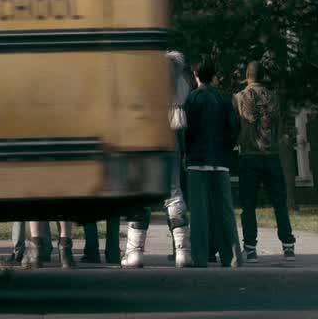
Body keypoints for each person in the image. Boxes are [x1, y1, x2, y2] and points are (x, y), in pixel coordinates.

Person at [121, 51, 194, 268]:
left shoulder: (142, 83)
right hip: (171, 142)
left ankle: (135, 253)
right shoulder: (181, 84)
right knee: (174, 195)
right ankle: (183, 252)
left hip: (144, 143)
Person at [234, 61, 297, 262]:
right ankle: (288, 246)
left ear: (247, 75)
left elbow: (234, 126)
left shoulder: (239, 97)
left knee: (248, 205)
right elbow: (281, 125)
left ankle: (250, 248)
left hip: (249, 155)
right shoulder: (274, 97)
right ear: (263, 77)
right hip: (272, 155)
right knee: (280, 203)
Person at [184, 58, 241, 268]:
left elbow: (186, 131)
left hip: (197, 161)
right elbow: (233, 129)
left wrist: (186, 152)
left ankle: (200, 257)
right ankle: (232, 256)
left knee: (199, 212)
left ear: (195, 75)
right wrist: (226, 149)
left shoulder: (191, 99)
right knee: (225, 211)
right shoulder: (224, 99)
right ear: (214, 76)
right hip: (220, 161)